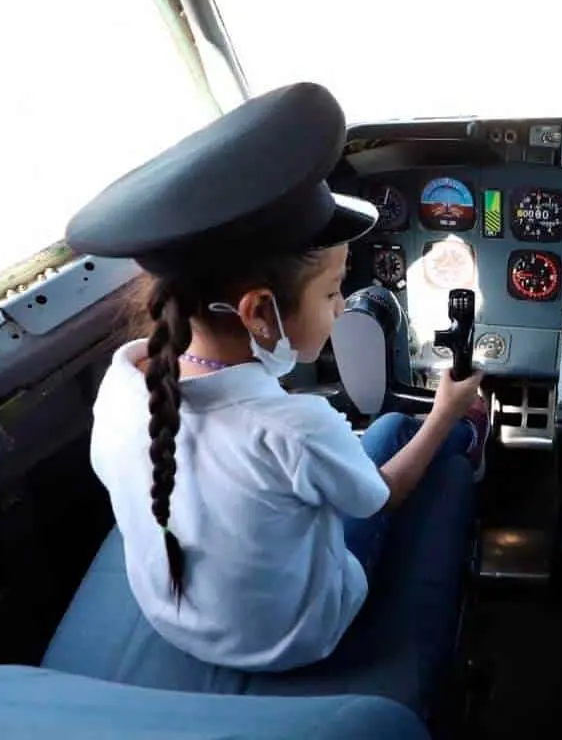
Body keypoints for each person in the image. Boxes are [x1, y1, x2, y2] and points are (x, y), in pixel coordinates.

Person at [63, 83, 487, 702]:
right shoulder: (295, 427)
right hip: (297, 638)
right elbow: (383, 497)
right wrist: (448, 410)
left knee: (389, 432)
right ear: (260, 313)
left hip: (177, 619)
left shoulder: (126, 379)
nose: (343, 305)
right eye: (333, 291)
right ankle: (470, 440)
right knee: (412, 436)